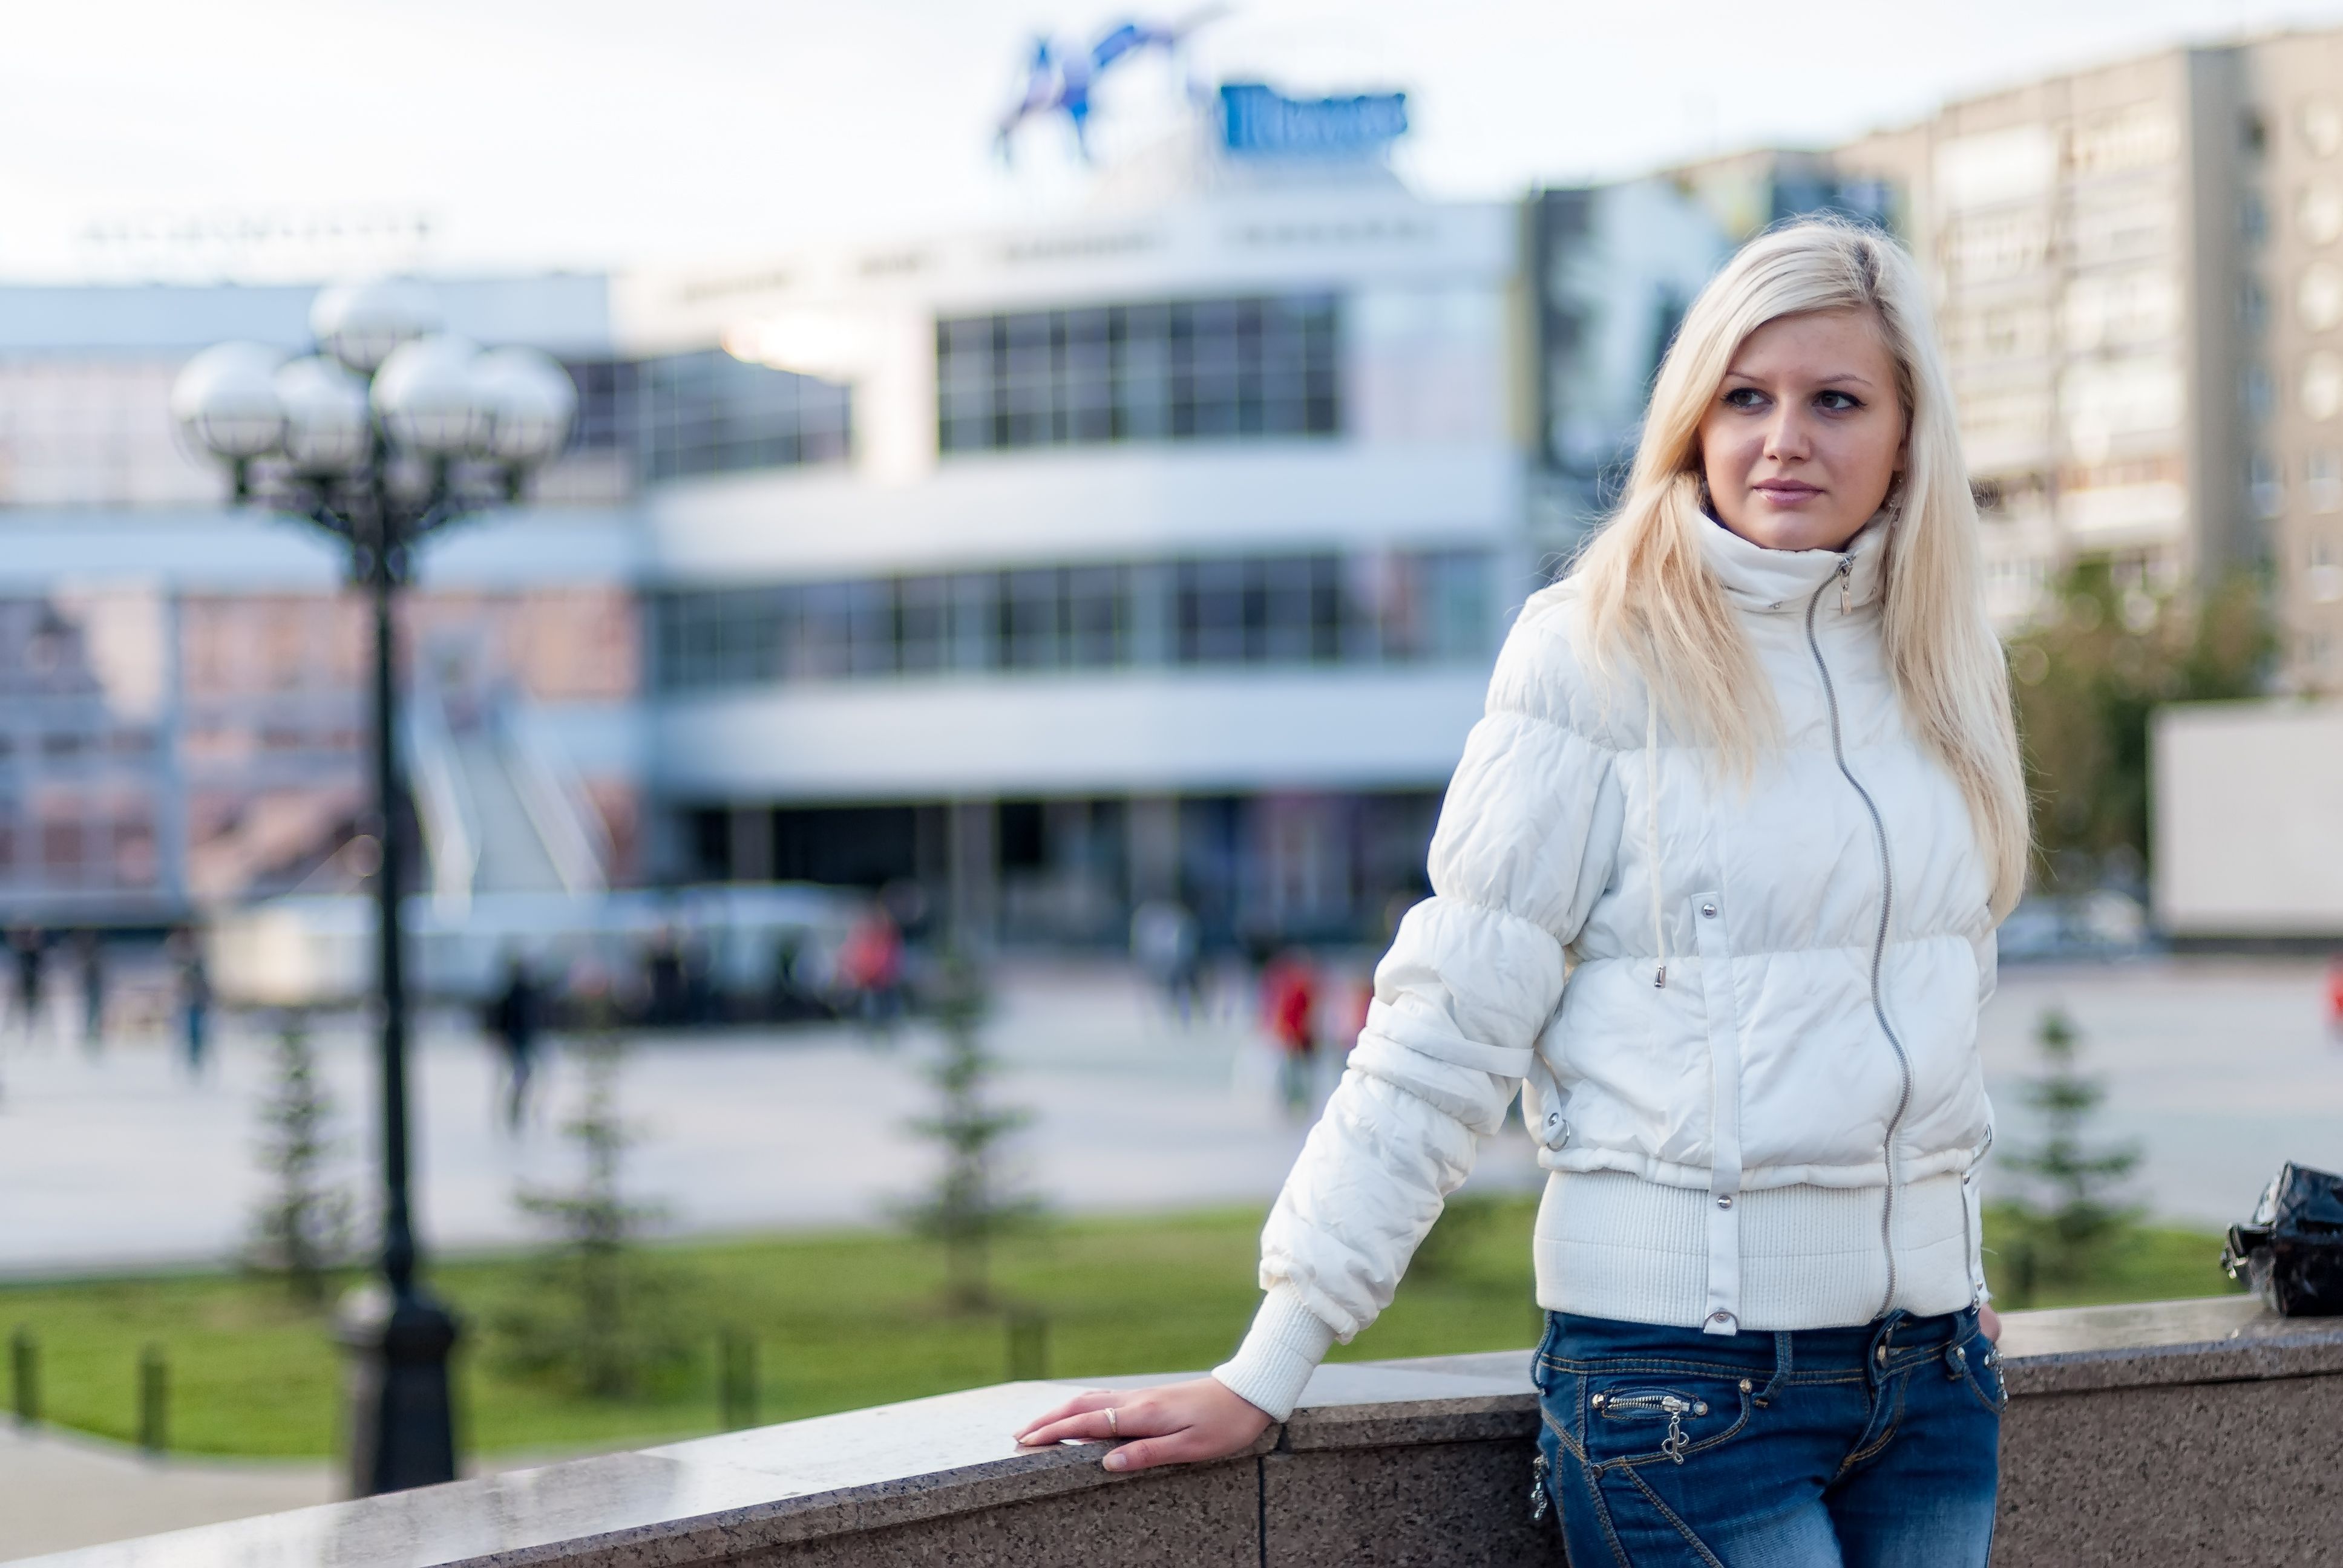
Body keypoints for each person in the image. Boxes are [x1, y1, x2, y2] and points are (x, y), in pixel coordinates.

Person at [1018, 221, 2028, 1568]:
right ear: (1692, 419)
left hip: (1931, 1382)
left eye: (1835, 401)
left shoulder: (1942, 665)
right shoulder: (1594, 654)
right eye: (1745, 397)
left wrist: (1936, 1260)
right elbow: (1444, 1026)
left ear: (1908, 435)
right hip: (1683, 1391)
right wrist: (1272, 1357)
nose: (1784, 438)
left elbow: (1933, 1011)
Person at [1259, 950, 1319, 1117]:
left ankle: (1296, 1101)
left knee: (1295, 1072)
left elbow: (1300, 1015)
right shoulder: (1298, 988)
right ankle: (1294, 1101)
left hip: (1296, 1037)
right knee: (1293, 1072)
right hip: (1295, 1037)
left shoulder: (1298, 988)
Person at [489, 952, 543, 1132]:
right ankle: (514, 1109)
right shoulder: (515, 993)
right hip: (517, 1040)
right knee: (520, 1076)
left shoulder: (523, 992)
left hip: (522, 1040)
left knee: (522, 1076)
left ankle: (518, 1109)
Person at [75, 929, 105, 1055]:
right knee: (91, 1016)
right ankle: (91, 1039)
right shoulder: (88, 959)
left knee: (94, 1016)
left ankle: (94, 1039)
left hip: (94, 993)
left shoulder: (92, 958)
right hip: (91, 993)